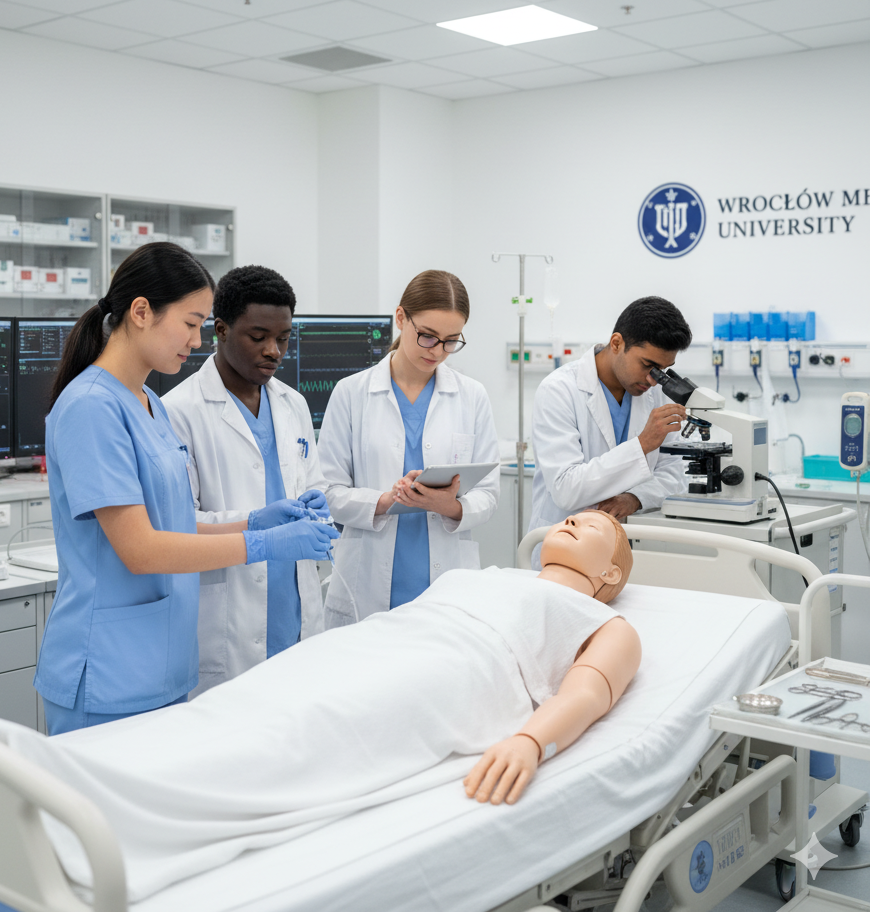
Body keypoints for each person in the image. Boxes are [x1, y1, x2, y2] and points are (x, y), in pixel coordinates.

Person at [0, 510, 639, 899]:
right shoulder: (484, 573)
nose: (577, 517)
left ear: (610, 575)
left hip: (453, 674)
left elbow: (588, 691)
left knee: (297, 733)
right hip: (373, 645)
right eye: (576, 513)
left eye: (600, 526)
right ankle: (64, 773)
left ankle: (94, 810)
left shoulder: (604, 623)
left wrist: (531, 740)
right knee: (248, 705)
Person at [35, 243, 337, 735]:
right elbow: (139, 548)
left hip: (166, 661)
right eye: (192, 323)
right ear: (140, 312)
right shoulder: (91, 407)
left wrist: (256, 519)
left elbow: (174, 522)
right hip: (108, 667)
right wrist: (262, 544)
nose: (198, 341)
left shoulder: (147, 402)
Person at [163, 265, 328, 693]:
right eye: (258, 337)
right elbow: (178, 526)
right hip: (227, 622)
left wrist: (317, 505)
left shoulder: (292, 404)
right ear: (220, 329)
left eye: (284, 337)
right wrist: (259, 522)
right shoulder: (179, 411)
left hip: (296, 614)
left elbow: (310, 482)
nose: (274, 350)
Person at [318, 270, 499, 628]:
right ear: (401, 318)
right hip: (366, 581)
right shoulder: (351, 393)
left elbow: (489, 494)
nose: (438, 352)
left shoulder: (472, 396)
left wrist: (451, 506)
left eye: (451, 341)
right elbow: (327, 492)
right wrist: (386, 502)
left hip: (448, 581)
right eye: (428, 337)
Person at [528, 296, 692, 564]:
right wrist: (642, 445)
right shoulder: (558, 390)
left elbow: (674, 473)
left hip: (628, 547)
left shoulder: (657, 394)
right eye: (648, 366)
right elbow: (566, 488)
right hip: (566, 547)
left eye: (663, 370)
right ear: (617, 343)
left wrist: (635, 498)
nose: (655, 379)